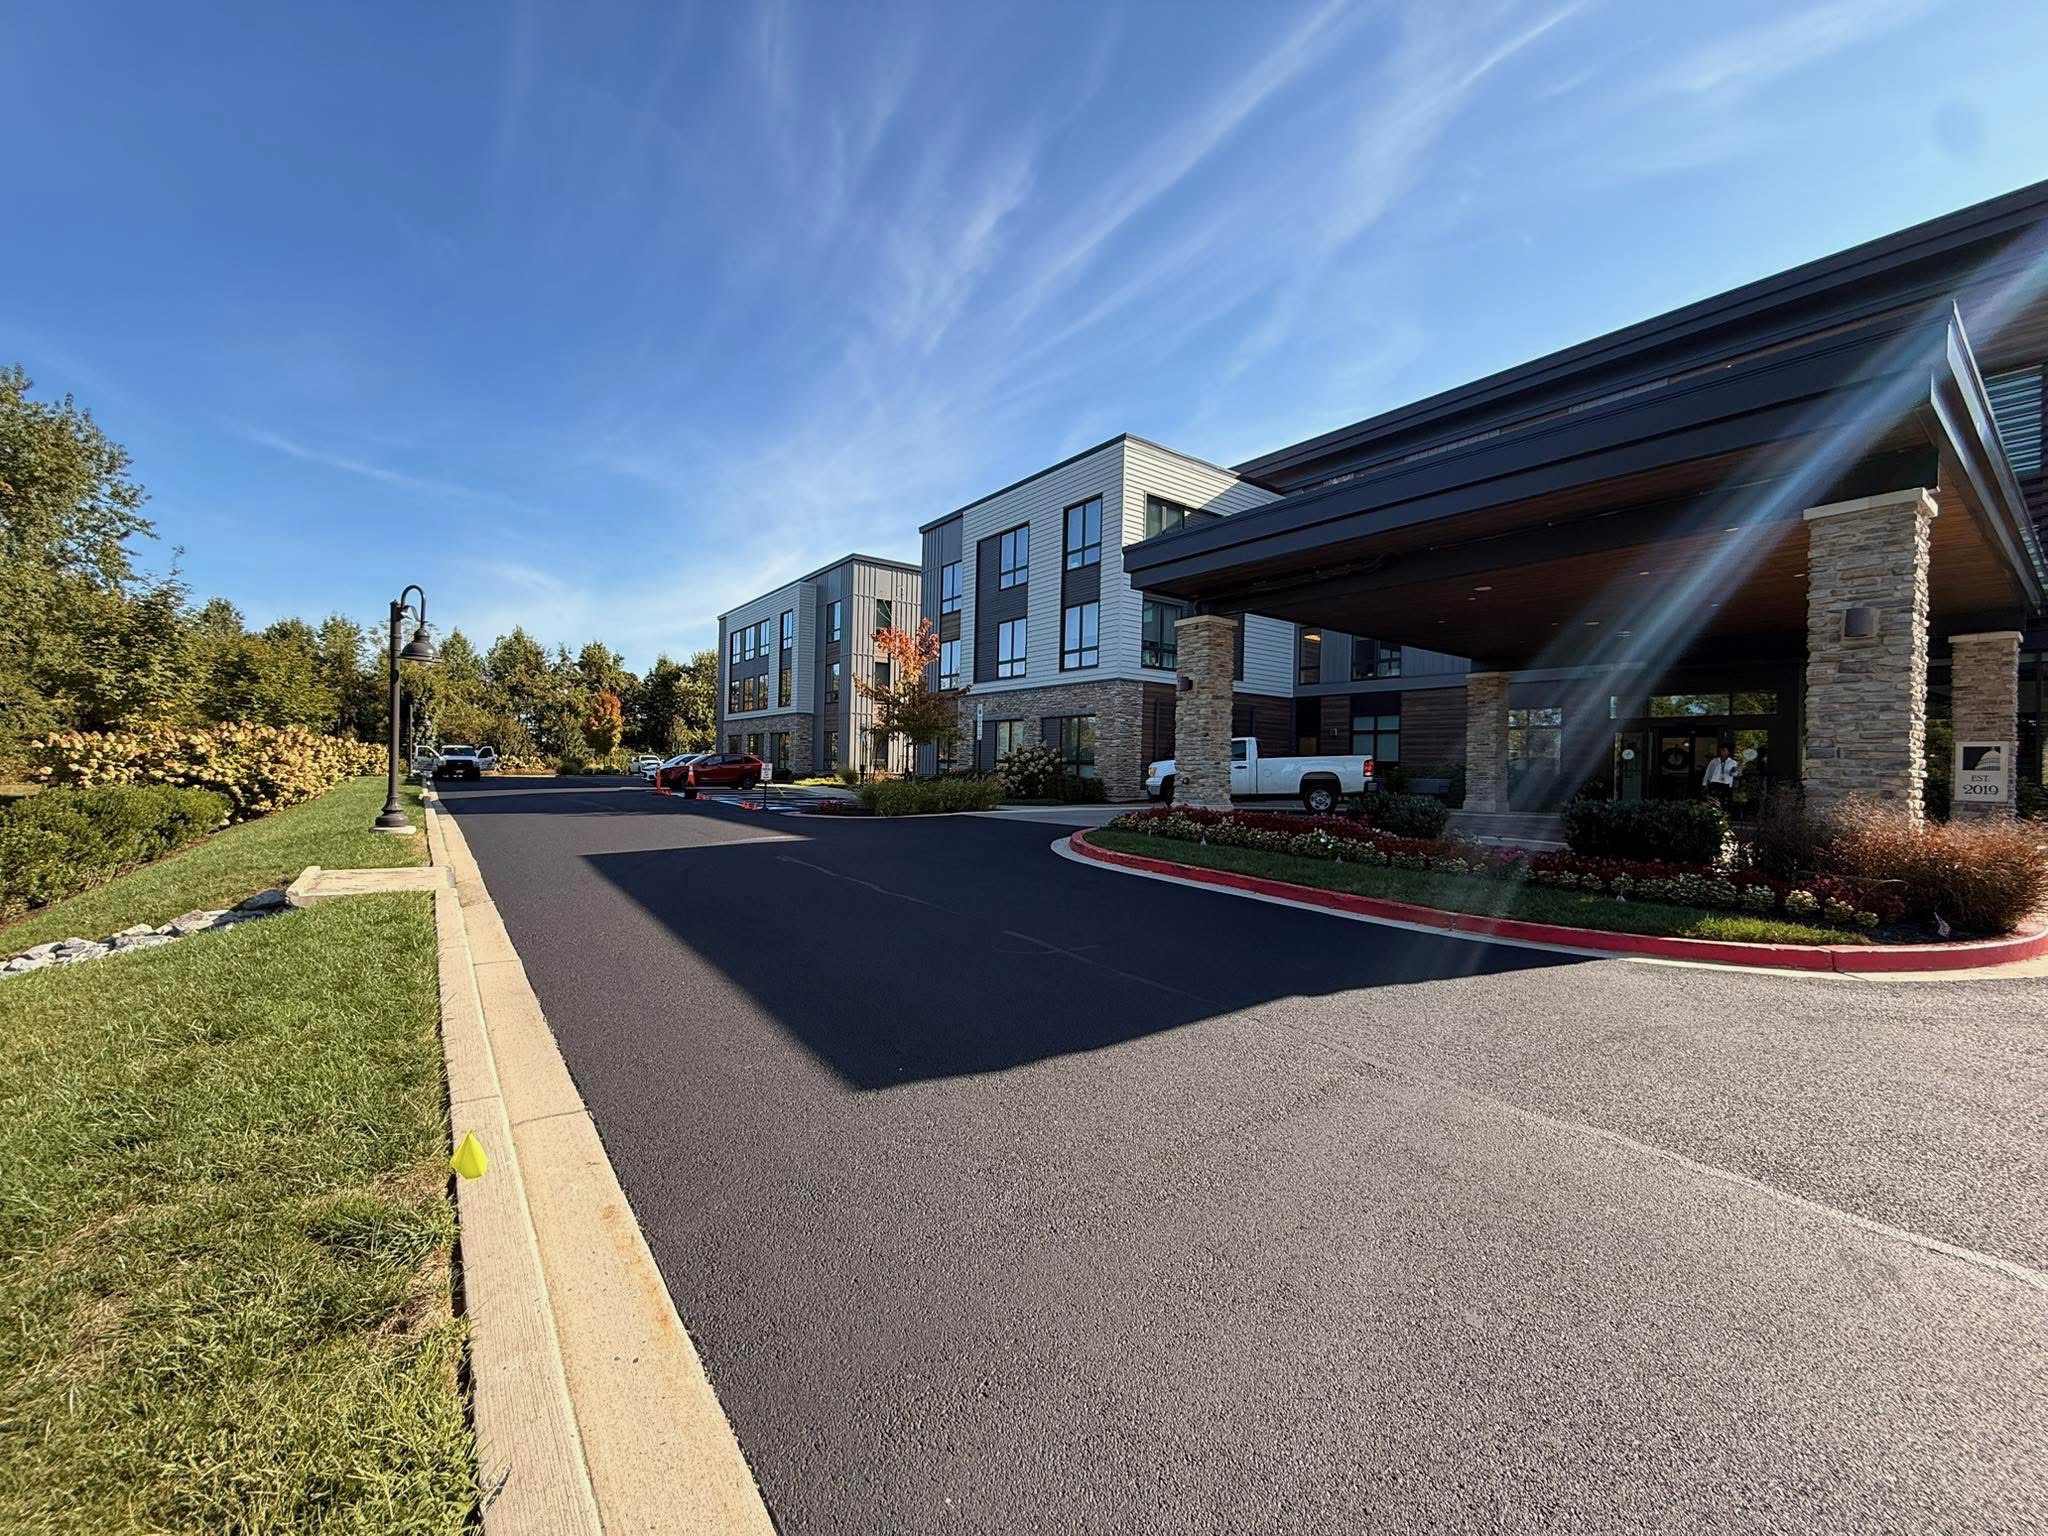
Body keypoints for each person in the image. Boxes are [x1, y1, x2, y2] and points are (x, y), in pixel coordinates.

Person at [1702, 741, 1739, 810]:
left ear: (1728, 752)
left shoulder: (1733, 762)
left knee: (1725, 803)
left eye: (1724, 750)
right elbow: (1708, 772)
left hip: (1726, 784)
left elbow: (1733, 775)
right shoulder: (1714, 761)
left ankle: (1723, 817)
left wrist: (1735, 771)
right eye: (1721, 750)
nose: (1722, 752)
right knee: (1713, 802)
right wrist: (1704, 783)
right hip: (1714, 783)